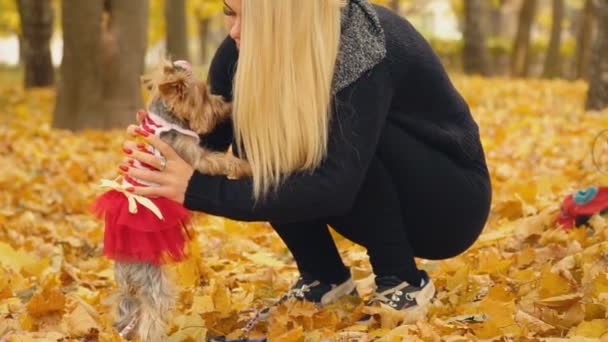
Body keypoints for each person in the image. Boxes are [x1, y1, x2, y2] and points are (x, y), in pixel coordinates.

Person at [120, 0, 492, 322]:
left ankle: (401, 280)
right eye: (229, 14)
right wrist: (165, 144)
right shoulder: (238, 54)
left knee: (334, 132)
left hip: (447, 201)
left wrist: (197, 190)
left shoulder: (361, 44)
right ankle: (324, 277)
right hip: (362, 184)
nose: (234, 31)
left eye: (250, 19)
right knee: (257, 122)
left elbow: (336, 186)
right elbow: (208, 147)